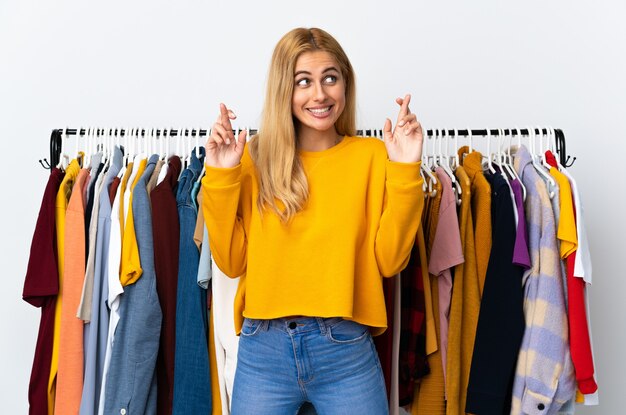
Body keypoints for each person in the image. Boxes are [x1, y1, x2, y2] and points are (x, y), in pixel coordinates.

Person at [202, 27, 425, 415]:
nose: (319, 94)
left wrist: (406, 169)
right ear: (282, 91)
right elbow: (231, 261)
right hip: (263, 349)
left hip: (345, 350)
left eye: (330, 79)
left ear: (345, 85)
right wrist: (220, 176)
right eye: (302, 81)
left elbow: (389, 262)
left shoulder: (372, 156)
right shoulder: (254, 157)